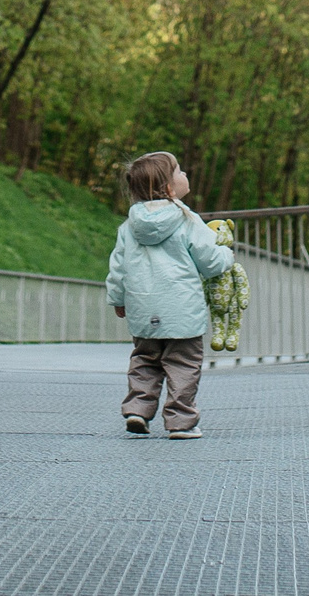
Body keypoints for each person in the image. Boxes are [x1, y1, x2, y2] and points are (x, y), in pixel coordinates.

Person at [105, 150, 232, 441]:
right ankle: (180, 421)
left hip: (143, 308)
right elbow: (210, 262)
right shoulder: (187, 220)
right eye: (180, 171)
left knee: (145, 359)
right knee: (183, 364)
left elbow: (118, 268)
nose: (185, 175)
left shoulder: (129, 227)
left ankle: (137, 409)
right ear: (169, 188)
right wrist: (227, 255)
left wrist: (118, 299)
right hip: (182, 310)